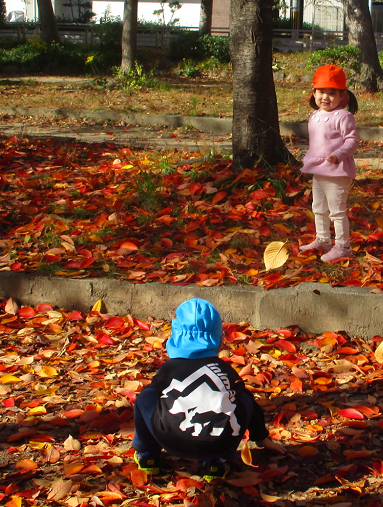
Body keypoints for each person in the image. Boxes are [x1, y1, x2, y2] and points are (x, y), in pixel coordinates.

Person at [132, 298, 267, 480]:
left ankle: (147, 454)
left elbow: (153, 399)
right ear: (219, 340)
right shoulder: (224, 371)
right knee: (243, 398)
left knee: (147, 395)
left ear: (175, 337)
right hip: (220, 443)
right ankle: (216, 462)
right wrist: (261, 437)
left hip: (172, 441)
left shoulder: (170, 369)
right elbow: (247, 403)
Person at [298, 64, 360, 263]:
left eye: (331, 93)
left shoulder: (343, 116)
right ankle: (323, 239)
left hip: (338, 171)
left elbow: (352, 140)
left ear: (342, 96)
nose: (325, 97)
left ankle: (343, 246)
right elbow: (317, 142)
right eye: (321, 92)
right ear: (313, 93)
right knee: (318, 207)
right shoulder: (315, 116)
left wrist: (338, 154)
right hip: (319, 170)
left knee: (337, 211)